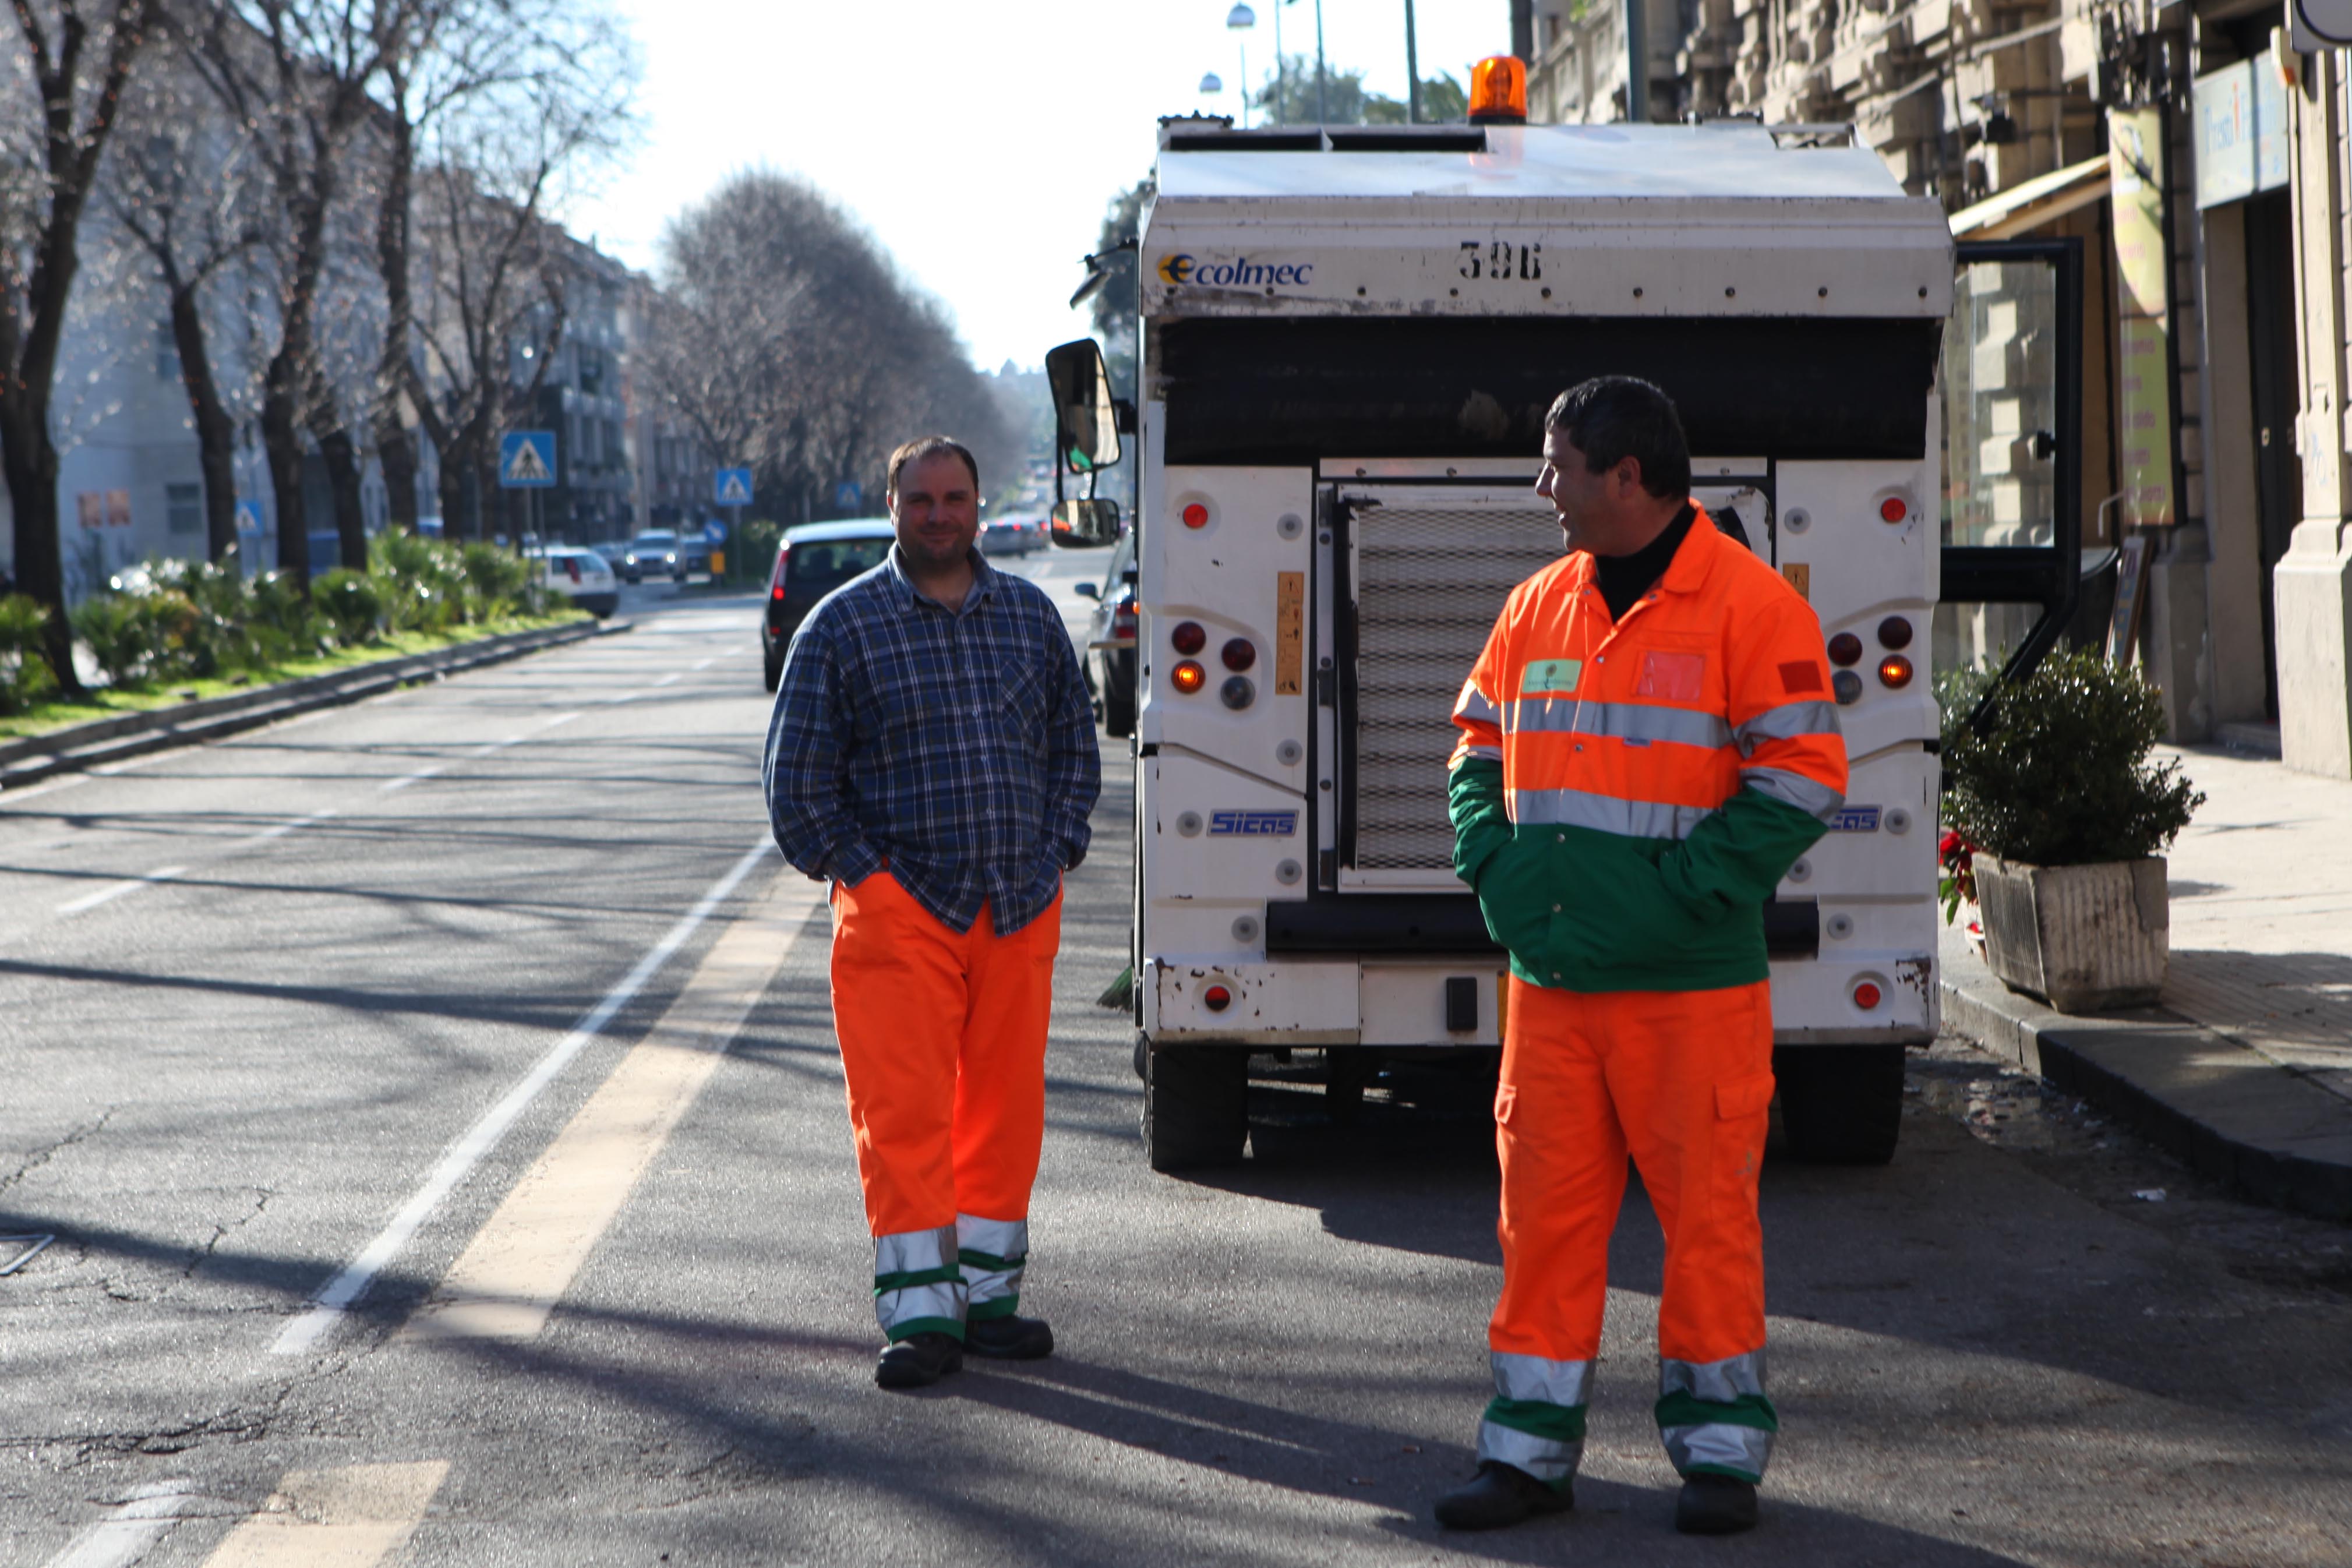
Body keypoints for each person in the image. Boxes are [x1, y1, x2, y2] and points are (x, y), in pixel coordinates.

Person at [1436, 377, 1848, 1535]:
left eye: (1557, 466)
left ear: (1629, 479)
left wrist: (1677, 897)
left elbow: (1805, 777)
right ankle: (1524, 1453)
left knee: (1707, 1227)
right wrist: (1500, 872)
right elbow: (1474, 744)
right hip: (1556, 986)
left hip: (1688, 992)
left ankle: (1721, 1457)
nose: (1542, 488)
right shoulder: (1535, 608)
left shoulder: (1752, 606)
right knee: (1542, 1230)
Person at [764, 435, 1101, 1390]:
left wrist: (1057, 850)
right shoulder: (841, 626)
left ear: (979, 504)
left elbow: (1075, 754)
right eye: (921, 500)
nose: (940, 514)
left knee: (1003, 1116)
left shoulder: (1028, 618)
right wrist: (869, 880)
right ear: (893, 505)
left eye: (955, 497)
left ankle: (989, 1302)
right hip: (898, 913)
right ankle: (920, 1317)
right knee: (902, 1116)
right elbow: (796, 791)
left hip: (1018, 904)